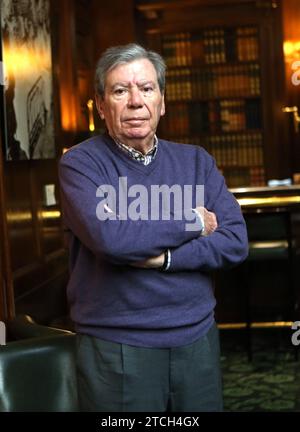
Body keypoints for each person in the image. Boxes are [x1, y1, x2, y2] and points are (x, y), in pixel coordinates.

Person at [58, 43, 248, 412]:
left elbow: (235, 242)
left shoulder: (197, 162)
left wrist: (163, 260)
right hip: (118, 348)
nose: (135, 101)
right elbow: (112, 239)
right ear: (101, 104)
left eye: (146, 89)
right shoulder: (81, 165)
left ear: (162, 100)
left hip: (197, 340)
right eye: (119, 90)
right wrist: (193, 220)